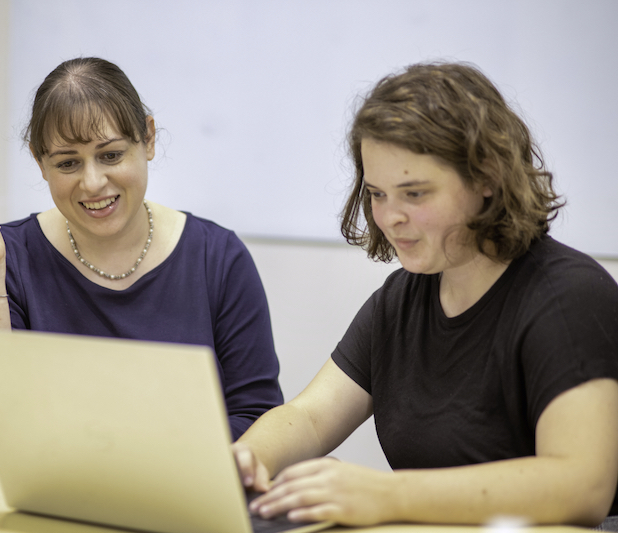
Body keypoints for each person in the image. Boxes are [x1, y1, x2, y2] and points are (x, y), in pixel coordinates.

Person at [233, 61, 618, 528]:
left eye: (414, 194)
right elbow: (310, 418)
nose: (390, 217)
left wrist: (384, 494)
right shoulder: (400, 299)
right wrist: (247, 459)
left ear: (487, 179)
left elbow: (582, 486)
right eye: (377, 193)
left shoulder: (568, 297)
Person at [0, 57, 283, 450]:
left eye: (111, 155)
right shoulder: (5, 256)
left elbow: (258, 418)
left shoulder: (217, 257)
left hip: (182, 497)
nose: (93, 182)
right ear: (39, 161)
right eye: (68, 163)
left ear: (148, 138)